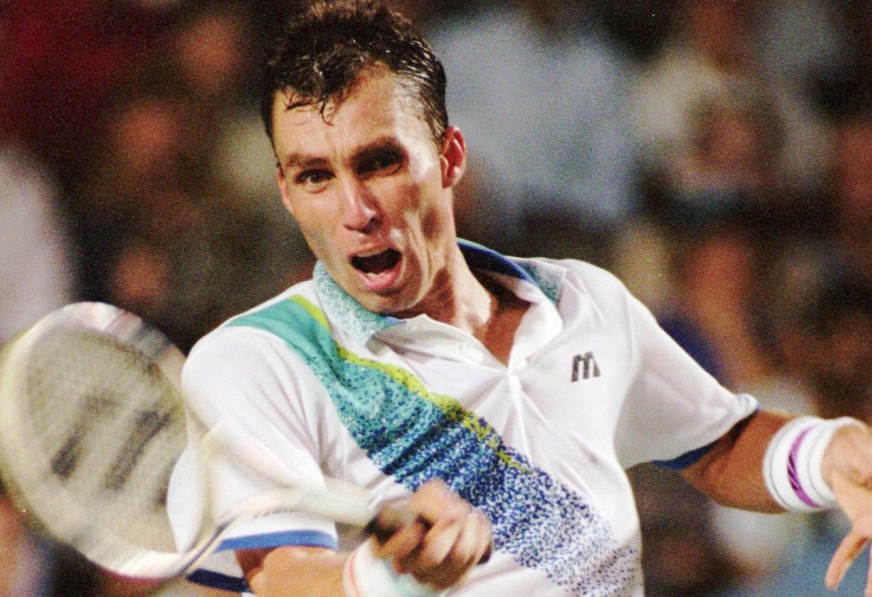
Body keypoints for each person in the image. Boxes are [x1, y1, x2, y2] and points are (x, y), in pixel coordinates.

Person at [168, 2, 872, 596]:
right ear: (286, 192)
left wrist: (829, 450)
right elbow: (283, 575)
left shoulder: (582, 300)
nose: (356, 210)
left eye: (379, 162)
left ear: (450, 157)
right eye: (315, 176)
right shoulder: (255, 360)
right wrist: (385, 576)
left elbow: (719, 444)